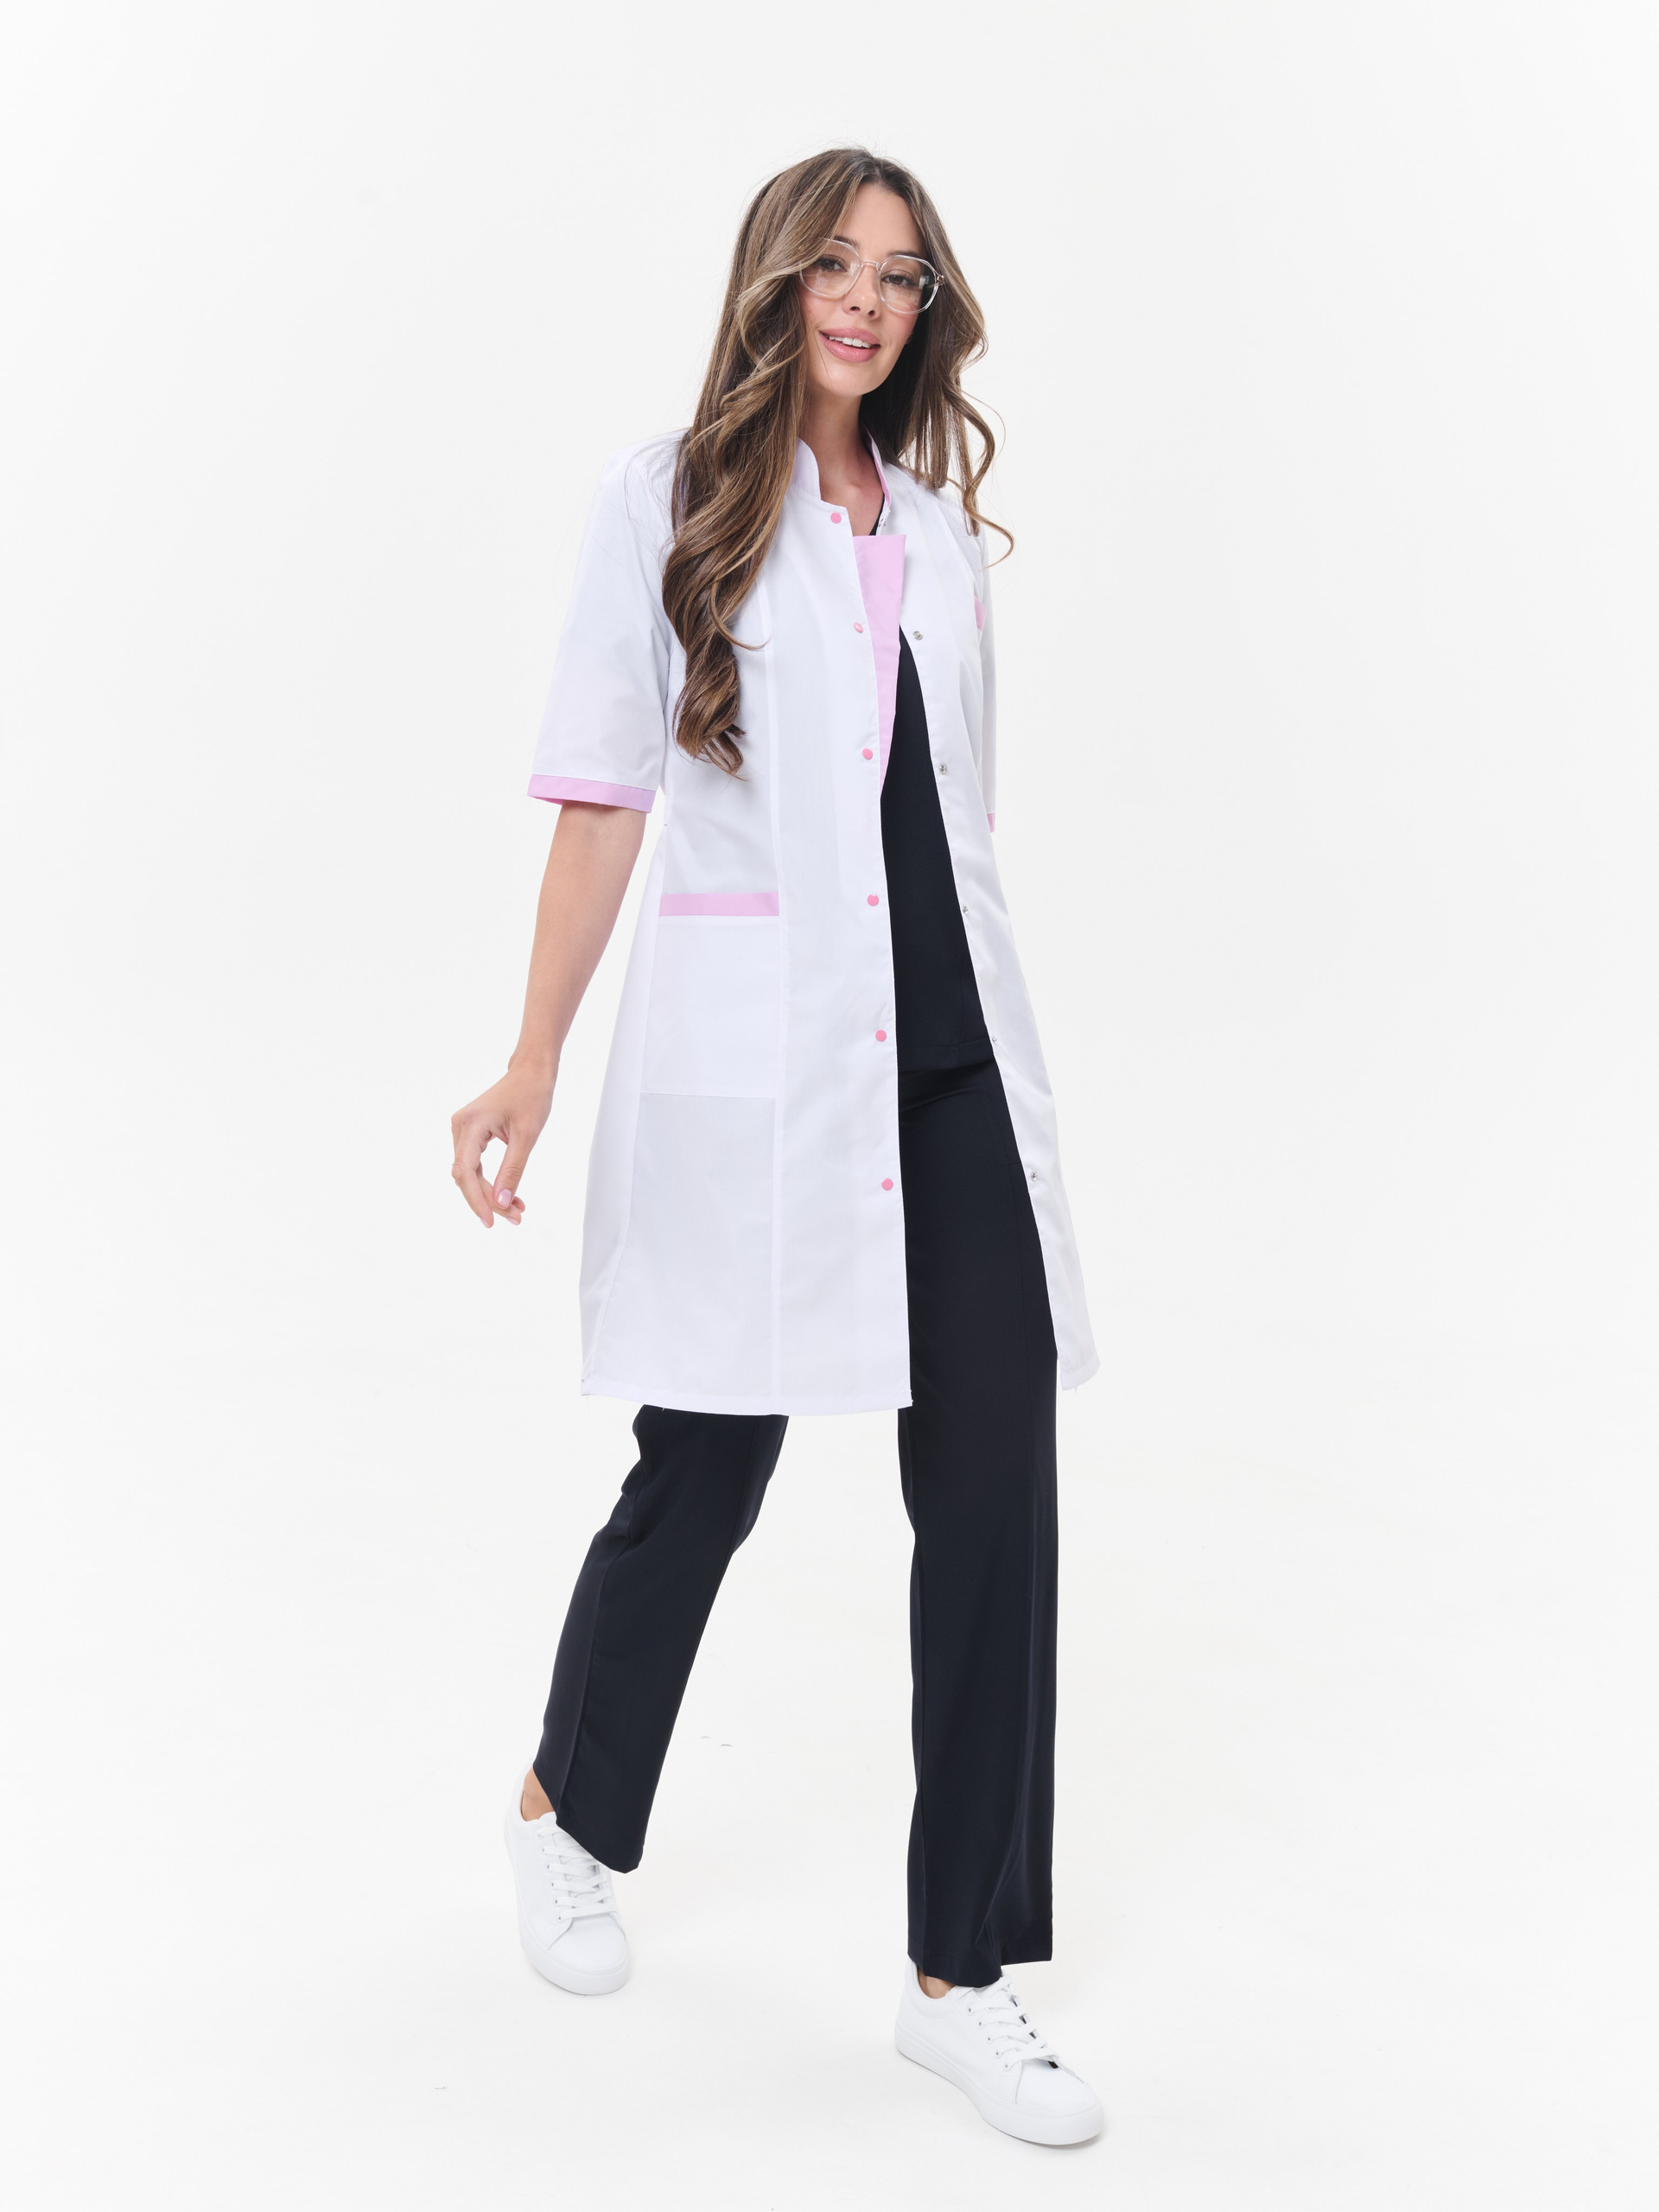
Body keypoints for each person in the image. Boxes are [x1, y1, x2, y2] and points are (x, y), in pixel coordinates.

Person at [449, 147, 1102, 2147]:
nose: (866, 302)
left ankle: (961, 1973)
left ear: (925, 312)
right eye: (835, 264)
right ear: (775, 282)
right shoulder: (669, 500)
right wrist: (533, 1055)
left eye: (901, 277)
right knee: (711, 1458)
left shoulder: (942, 535)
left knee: (995, 1487)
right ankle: (567, 1806)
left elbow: (955, 819)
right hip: (771, 1059)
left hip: (953, 1065)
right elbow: (602, 798)